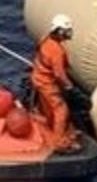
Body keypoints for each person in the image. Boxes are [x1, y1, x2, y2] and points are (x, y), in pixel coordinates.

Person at [31, 13, 80, 154]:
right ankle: (59, 143)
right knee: (61, 110)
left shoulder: (45, 39)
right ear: (59, 31)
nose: (68, 33)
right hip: (47, 83)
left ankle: (56, 130)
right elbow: (59, 73)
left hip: (38, 78)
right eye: (66, 31)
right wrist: (69, 85)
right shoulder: (56, 51)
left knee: (48, 108)